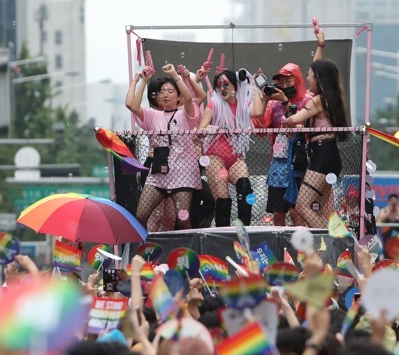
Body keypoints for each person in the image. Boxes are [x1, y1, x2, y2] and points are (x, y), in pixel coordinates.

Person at [253, 28, 325, 226]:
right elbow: (259, 124)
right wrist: (262, 97)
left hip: (302, 161)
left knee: (298, 211)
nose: (284, 84)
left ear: (299, 79)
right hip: (278, 165)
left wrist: (320, 46)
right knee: (278, 213)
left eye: (288, 80)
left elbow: (317, 74)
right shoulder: (273, 104)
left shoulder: (309, 99)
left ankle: (301, 253)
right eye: (281, 81)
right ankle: (280, 252)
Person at [125, 63, 202, 231]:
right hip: (158, 173)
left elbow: (190, 99)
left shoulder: (185, 114)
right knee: (140, 217)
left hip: (183, 173)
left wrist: (175, 75)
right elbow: (132, 105)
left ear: (179, 97)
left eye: (170, 91)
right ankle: (143, 253)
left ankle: (187, 254)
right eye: (161, 92)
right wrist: (142, 81)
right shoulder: (153, 116)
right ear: (156, 97)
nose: (165, 94)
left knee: (183, 220)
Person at [282, 58, 348, 228]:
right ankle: (332, 248)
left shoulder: (318, 100)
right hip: (330, 155)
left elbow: (293, 119)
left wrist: (286, 118)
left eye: (309, 75)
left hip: (322, 156)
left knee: (302, 205)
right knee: (322, 210)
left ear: (318, 78)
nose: (308, 79)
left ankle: (330, 239)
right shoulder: (333, 99)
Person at [197, 67, 264, 227]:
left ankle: (244, 230)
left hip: (235, 157)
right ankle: (223, 235)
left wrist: (253, 86)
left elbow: (258, 112)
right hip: (215, 157)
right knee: (223, 197)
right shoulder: (214, 104)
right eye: (219, 85)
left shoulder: (243, 103)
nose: (222, 88)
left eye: (226, 84)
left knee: (245, 188)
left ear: (235, 85)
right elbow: (200, 130)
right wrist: (206, 130)